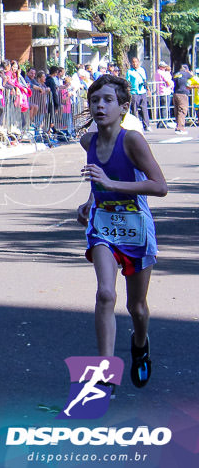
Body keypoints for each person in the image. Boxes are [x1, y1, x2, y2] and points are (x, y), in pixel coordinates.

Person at [75, 74, 167, 387]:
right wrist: (90, 201)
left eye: (108, 100)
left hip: (136, 227)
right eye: (95, 100)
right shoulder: (87, 141)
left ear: (123, 106)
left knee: (136, 308)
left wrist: (113, 185)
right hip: (103, 226)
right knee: (105, 294)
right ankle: (105, 371)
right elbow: (98, 179)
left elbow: (159, 186)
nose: (100, 106)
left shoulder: (132, 140)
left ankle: (140, 344)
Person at [125, 57, 150, 132]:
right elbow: (127, 82)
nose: (135, 63)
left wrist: (148, 90)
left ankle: (146, 125)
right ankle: (135, 125)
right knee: (134, 109)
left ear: (138, 62)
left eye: (136, 62)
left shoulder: (142, 70)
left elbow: (145, 80)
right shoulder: (129, 72)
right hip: (134, 93)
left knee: (144, 109)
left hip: (142, 92)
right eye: (133, 62)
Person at [171, 63, 192, 134]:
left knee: (177, 111)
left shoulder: (177, 74)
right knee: (183, 110)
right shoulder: (187, 74)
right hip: (183, 94)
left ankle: (178, 126)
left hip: (175, 93)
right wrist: (190, 73)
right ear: (186, 69)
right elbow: (194, 77)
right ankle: (180, 127)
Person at [154, 61, 173, 127]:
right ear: (160, 67)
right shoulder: (162, 73)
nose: (164, 68)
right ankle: (164, 122)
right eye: (163, 67)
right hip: (165, 91)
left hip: (160, 92)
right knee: (165, 108)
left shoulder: (157, 73)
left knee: (161, 107)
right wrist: (171, 84)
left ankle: (160, 122)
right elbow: (168, 82)